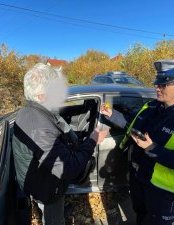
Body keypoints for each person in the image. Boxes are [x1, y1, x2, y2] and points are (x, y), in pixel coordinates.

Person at [100, 59, 174, 225]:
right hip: (138, 179)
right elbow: (132, 124)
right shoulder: (151, 107)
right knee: (140, 215)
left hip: (162, 192)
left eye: (163, 85)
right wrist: (112, 114)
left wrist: (154, 149)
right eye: (157, 83)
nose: (157, 87)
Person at [12, 63, 108, 225]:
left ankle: (58, 210)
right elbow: (68, 168)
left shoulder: (32, 111)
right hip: (48, 189)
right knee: (54, 219)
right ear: (42, 95)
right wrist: (93, 140)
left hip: (42, 180)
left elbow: (56, 127)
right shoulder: (40, 129)